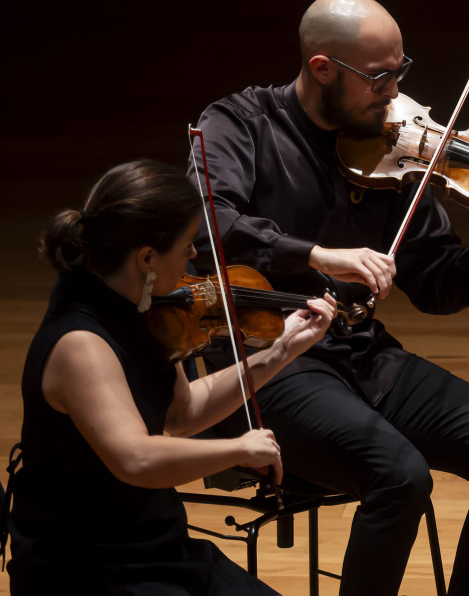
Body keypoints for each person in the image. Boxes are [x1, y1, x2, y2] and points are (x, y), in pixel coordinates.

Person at [188, 0, 469, 596]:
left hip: (362, 356)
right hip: (267, 365)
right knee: (399, 475)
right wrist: (318, 255)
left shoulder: (392, 146)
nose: (394, 91)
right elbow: (208, 222)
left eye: (401, 70)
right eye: (379, 77)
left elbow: (439, 285)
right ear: (322, 68)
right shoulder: (241, 123)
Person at [1, 159, 336, 595]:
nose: (195, 256)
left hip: (154, 542)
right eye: (186, 245)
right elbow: (135, 459)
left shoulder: (146, 308)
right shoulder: (81, 344)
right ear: (146, 258)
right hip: (88, 565)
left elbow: (183, 411)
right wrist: (236, 449)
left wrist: (281, 350)